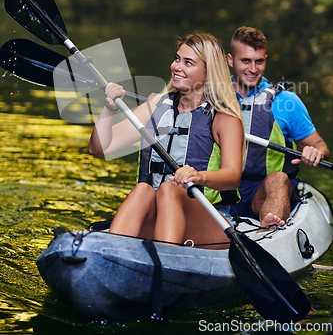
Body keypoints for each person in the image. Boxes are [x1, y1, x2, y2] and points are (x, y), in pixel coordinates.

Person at [89, 32, 244, 248]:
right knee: (144, 189)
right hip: (157, 214)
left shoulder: (224, 118)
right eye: (177, 58)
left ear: (208, 72)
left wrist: (199, 177)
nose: (177, 67)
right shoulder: (157, 106)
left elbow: (233, 176)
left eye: (188, 62)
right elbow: (99, 147)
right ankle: (112, 254)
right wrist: (109, 109)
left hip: (209, 220)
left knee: (169, 189)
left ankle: (166, 261)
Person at [227, 26, 330, 229]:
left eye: (259, 61)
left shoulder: (287, 102)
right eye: (245, 61)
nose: (253, 69)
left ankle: (269, 230)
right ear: (230, 60)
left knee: (279, 179)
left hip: (263, 188)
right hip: (219, 186)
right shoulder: (212, 96)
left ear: (266, 58)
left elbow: (322, 147)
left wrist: (315, 152)